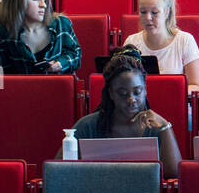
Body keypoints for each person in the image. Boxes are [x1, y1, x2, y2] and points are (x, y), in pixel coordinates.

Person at [69, 47, 181, 179]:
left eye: (137, 92)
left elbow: (174, 173)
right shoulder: (87, 126)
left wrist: (165, 127)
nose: (131, 99)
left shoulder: (156, 127)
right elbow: (59, 172)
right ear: (110, 94)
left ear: (145, 90)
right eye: (122, 94)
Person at [0, 0, 80, 76]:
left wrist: (61, 64)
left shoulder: (61, 23)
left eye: (44, 0)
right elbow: (7, 76)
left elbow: (75, 56)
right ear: (18, 3)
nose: (43, 5)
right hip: (24, 89)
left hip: (58, 86)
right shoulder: (1, 34)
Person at [122, 0, 199, 94]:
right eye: (143, 12)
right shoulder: (132, 42)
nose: (148, 18)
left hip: (175, 106)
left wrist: (166, 92)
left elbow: (196, 85)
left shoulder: (185, 41)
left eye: (154, 13)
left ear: (166, 12)